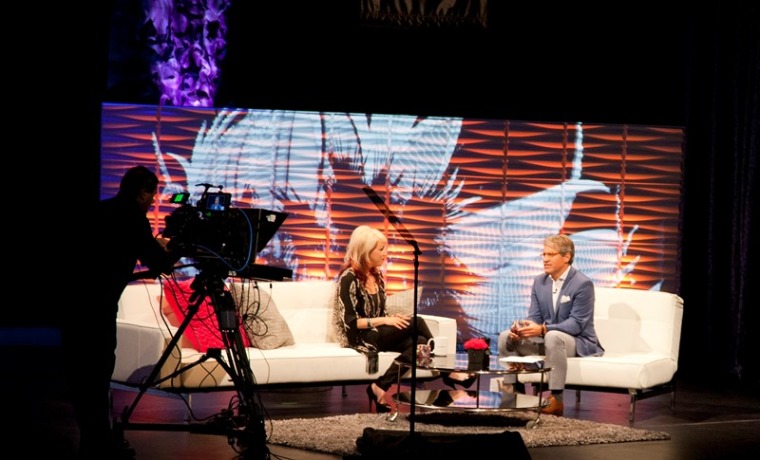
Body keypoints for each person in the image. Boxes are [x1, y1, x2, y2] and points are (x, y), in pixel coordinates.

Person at [61, 165, 177, 458]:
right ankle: (100, 443)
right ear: (142, 192)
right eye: (152, 194)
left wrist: (150, 245)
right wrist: (172, 250)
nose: (153, 200)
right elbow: (158, 263)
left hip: (74, 303)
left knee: (82, 376)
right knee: (98, 373)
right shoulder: (133, 217)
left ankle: (93, 439)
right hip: (97, 307)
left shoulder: (102, 210)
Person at [333, 225, 473, 413]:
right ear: (366, 251)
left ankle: (380, 385)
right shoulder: (348, 278)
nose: (385, 254)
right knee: (418, 322)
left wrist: (391, 318)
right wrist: (385, 321)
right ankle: (448, 373)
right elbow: (350, 322)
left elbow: (379, 312)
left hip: (378, 332)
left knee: (420, 342)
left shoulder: (377, 275)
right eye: (381, 249)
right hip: (360, 336)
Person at [497, 234, 604, 416]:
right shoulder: (540, 281)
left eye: (551, 254)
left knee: (553, 337)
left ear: (566, 257)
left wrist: (544, 329)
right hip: (547, 338)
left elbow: (576, 324)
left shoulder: (582, 284)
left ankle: (557, 399)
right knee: (505, 336)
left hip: (577, 341)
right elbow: (535, 317)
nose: (545, 259)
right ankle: (514, 393)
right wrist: (523, 330)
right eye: (543, 254)